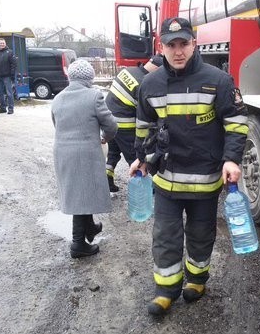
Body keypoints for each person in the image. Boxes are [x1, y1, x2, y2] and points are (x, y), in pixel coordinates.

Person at [128, 17, 248, 316]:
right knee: (166, 235)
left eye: (184, 43)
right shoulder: (150, 85)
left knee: (201, 234)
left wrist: (232, 158)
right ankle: (165, 290)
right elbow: (144, 127)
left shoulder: (219, 81)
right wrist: (142, 159)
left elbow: (236, 123)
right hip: (167, 182)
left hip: (205, 180)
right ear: (162, 47)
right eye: (171, 45)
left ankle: (196, 280)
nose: (178, 51)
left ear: (194, 44)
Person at [51, 59, 118, 258]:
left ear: (70, 77)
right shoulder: (94, 96)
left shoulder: (58, 98)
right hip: (84, 153)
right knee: (81, 195)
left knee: (79, 191)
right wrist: (106, 137)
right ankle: (78, 244)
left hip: (62, 152)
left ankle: (89, 228)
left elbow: (57, 124)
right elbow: (112, 125)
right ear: (89, 78)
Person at [104, 54, 163, 192]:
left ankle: (107, 178)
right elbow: (146, 111)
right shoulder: (144, 83)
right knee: (136, 157)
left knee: (113, 151)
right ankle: (144, 188)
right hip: (125, 125)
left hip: (109, 121)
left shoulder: (127, 71)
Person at [0, 38, 17, 114]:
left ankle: (11, 108)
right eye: (0, 43)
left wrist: (12, 74)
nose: (2, 44)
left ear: (5, 43)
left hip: (7, 76)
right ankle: (2, 108)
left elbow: (13, 64)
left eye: (3, 43)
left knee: (9, 93)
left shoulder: (10, 52)